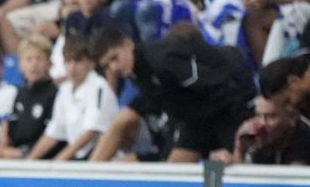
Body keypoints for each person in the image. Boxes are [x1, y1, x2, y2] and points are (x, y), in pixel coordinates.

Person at [89, 25, 255, 162]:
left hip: (227, 106)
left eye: (114, 58)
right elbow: (173, 104)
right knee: (174, 168)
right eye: (107, 65)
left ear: (128, 43)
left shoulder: (162, 58)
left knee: (235, 165)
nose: (113, 68)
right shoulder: (137, 72)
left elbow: (215, 83)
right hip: (196, 115)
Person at [32, 33, 113, 159]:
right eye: (68, 61)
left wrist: (62, 158)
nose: (72, 67)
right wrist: (30, 160)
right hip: (78, 158)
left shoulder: (99, 87)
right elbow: (54, 132)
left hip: (103, 159)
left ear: (91, 63)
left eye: (78, 61)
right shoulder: (64, 90)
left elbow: (92, 131)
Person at [0, 33, 56, 157]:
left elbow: (55, 136)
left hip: (43, 158)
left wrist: (21, 153)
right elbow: (9, 134)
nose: (34, 64)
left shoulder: (55, 94)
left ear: (49, 63)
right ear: (20, 65)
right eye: (28, 59)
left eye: (39, 58)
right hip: (16, 156)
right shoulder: (17, 94)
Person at [231, 93, 310, 164]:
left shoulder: (304, 139)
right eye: (258, 115)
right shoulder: (261, 141)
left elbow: (293, 177)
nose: (262, 123)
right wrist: (240, 150)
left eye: (271, 116)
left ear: (292, 116)